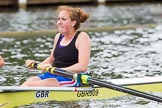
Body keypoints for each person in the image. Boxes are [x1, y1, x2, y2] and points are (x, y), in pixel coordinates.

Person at [21, 6, 91, 87]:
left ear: (73, 23)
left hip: (71, 78)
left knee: (32, 85)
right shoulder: (58, 37)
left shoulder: (82, 37)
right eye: (58, 19)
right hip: (53, 74)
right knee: (27, 84)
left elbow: (82, 66)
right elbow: (51, 60)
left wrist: (58, 70)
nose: (59, 22)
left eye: (63, 19)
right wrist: (36, 65)